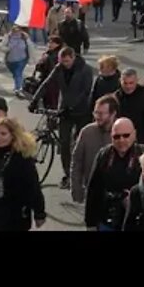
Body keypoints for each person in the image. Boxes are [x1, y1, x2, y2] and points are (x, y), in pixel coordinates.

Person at [0, 117, 47, 231]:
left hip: (13, 213)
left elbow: (33, 187)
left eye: (3, 134)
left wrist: (39, 213)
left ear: (13, 135)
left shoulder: (22, 158)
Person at [84, 117, 144, 231]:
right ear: (111, 137)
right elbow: (93, 189)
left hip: (136, 220)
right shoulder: (104, 155)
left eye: (126, 135)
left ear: (134, 134)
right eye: (116, 137)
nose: (121, 140)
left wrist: (134, 199)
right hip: (107, 217)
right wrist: (90, 223)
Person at [54, 47, 95, 191]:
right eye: (62, 61)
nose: (65, 64)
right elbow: (47, 83)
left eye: (67, 61)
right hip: (65, 111)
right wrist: (35, 100)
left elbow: (86, 91)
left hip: (81, 111)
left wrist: (72, 106)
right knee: (64, 143)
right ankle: (67, 174)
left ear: (73, 58)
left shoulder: (85, 69)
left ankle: (81, 174)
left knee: (80, 144)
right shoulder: (59, 68)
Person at [71, 95, 119, 205]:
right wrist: (76, 187)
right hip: (92, 192)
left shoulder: (123, 133)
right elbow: (77, 161)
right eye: (96, 113)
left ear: (113, 114)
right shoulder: (87, 132)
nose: (97, 117)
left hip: (116, 195)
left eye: (101, 113)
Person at [112, 68, 144, 145]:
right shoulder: (115, 98)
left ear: (137, 81)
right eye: (125, 83)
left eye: (131, 83)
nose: (128, 86)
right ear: (120, 81)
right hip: (120, 140)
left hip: (141, 140)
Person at [2, 25, 30, 95]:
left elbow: (30, 48)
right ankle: (20, 84)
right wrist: (8, 48)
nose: (17, 33)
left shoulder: (24, 37)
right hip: (10, 60)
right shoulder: (8, 37)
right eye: (15, 31)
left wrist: (32, 58)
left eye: (18, 31)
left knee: (18, 73)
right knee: (15, 74)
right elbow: (1, 47)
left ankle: (18, 88)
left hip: (22, 59)